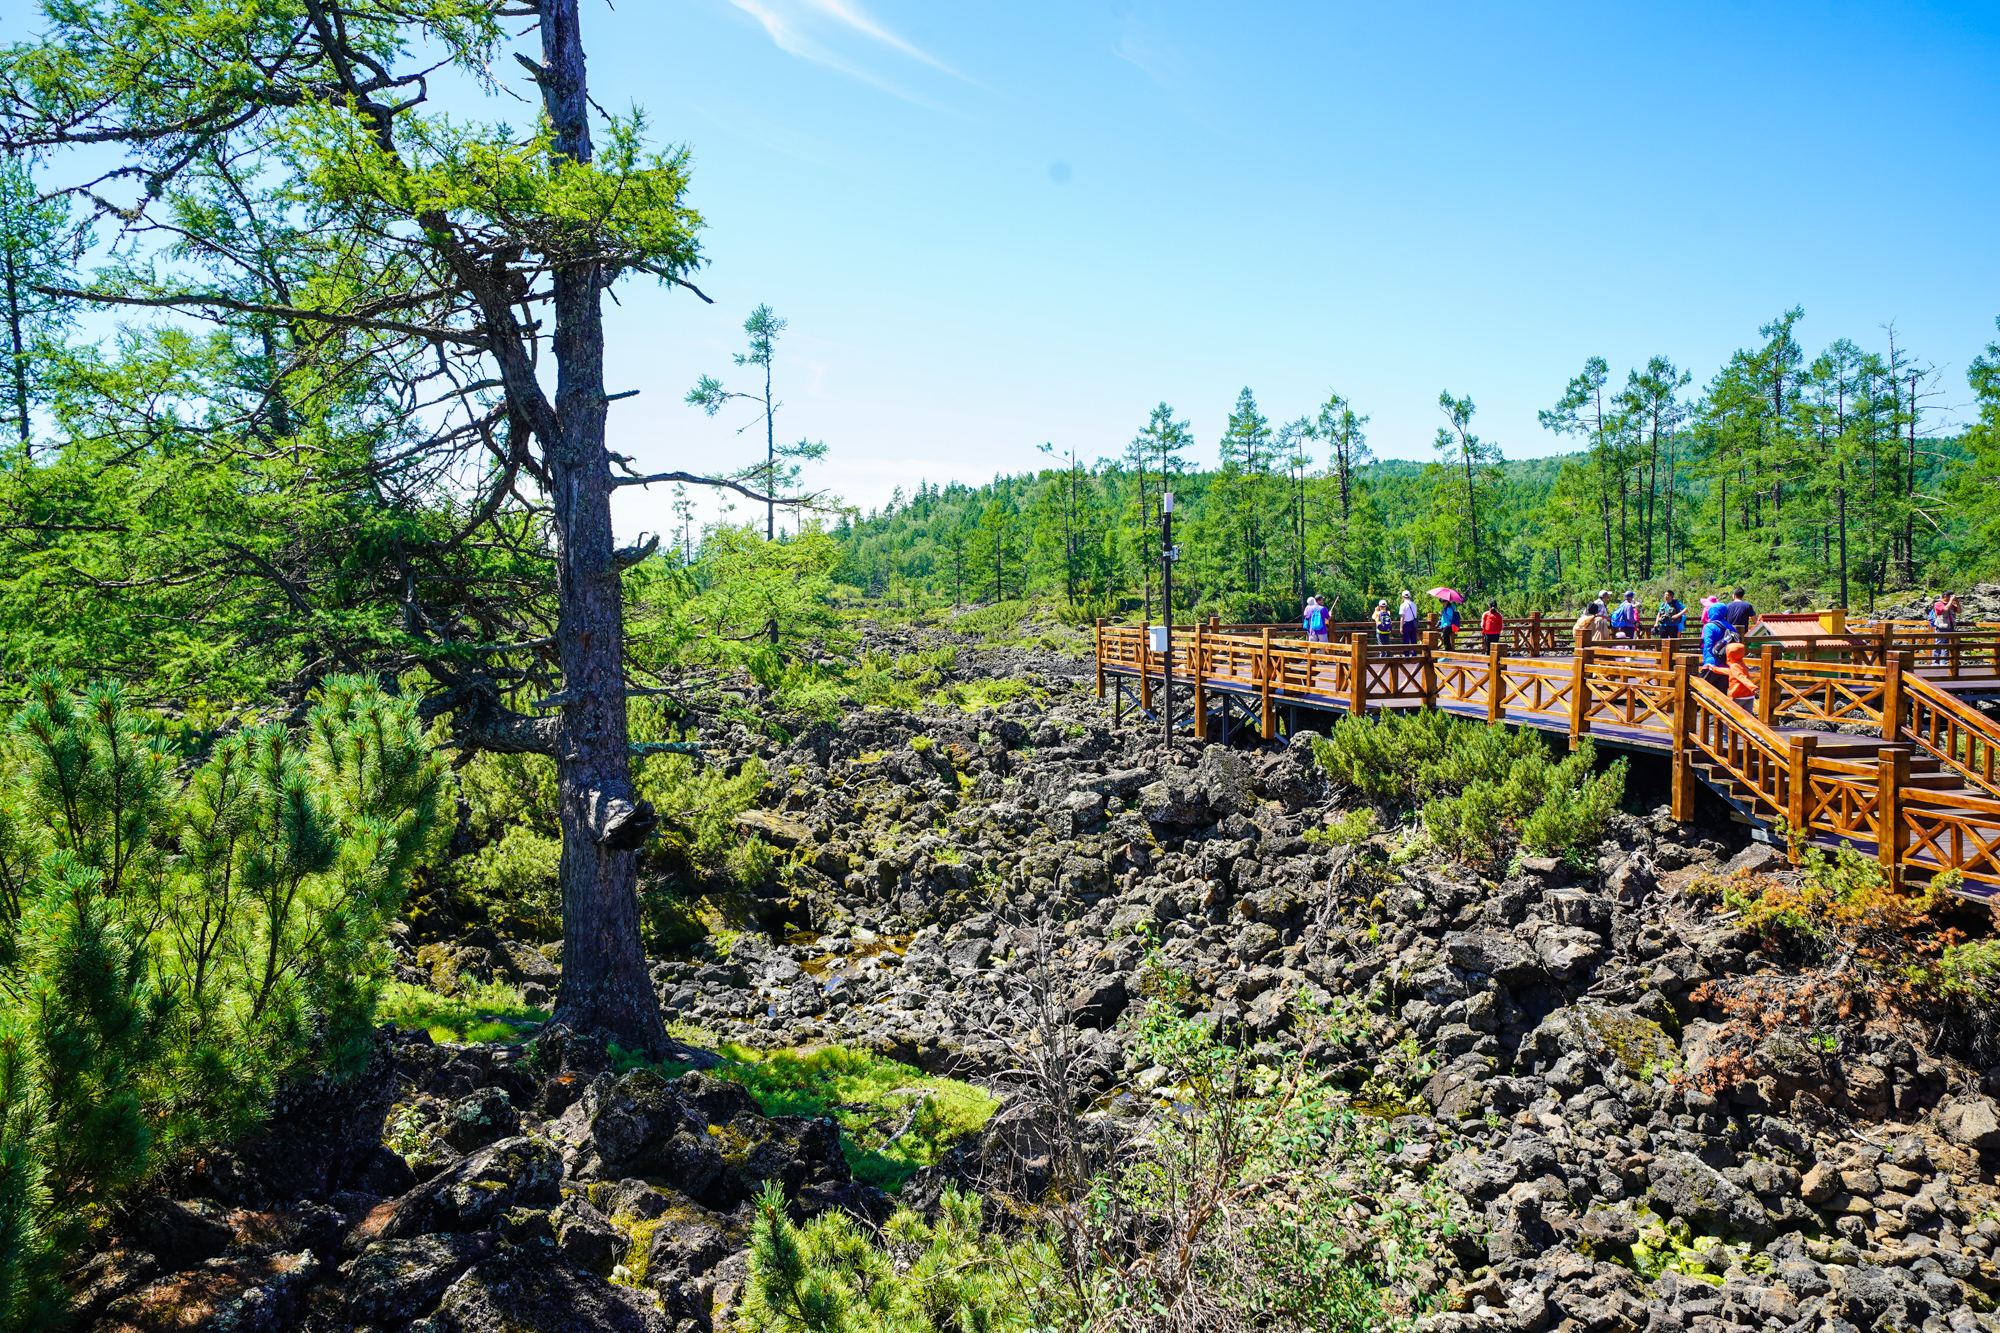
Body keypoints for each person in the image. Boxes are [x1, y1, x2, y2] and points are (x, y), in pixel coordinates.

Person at [1698, 602, 1732, 691]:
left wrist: (1708, 661)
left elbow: (1708, 643)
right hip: (1726, 665)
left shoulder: (1709, 626)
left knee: (1704, 692)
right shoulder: (1731, 627)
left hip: (1711, 664)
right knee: (1721, 694)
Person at [1723, 639, 1758, 707]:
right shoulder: (1741, 663)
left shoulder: (1734, 665)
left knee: (1727, 714)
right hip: (1748, 695)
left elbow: (1741, 677)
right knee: (1747, 716)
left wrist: (1753, 687)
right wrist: (1714, 669)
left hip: (1738, 695)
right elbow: (1731, 672)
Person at [1930, 590, 1960, 666]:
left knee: (1947, 645)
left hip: (1950, 626)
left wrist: (1957, 602)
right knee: (1939, 644)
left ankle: (1944, 662)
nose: (1951, 598)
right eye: (1950, 596)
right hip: (1942, 627)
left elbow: (1959, 611)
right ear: (1945, 596)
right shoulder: (1938, 604)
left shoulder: (1951, 604)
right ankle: (1935, 662)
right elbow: (1945, 609)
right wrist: (1951, 601)